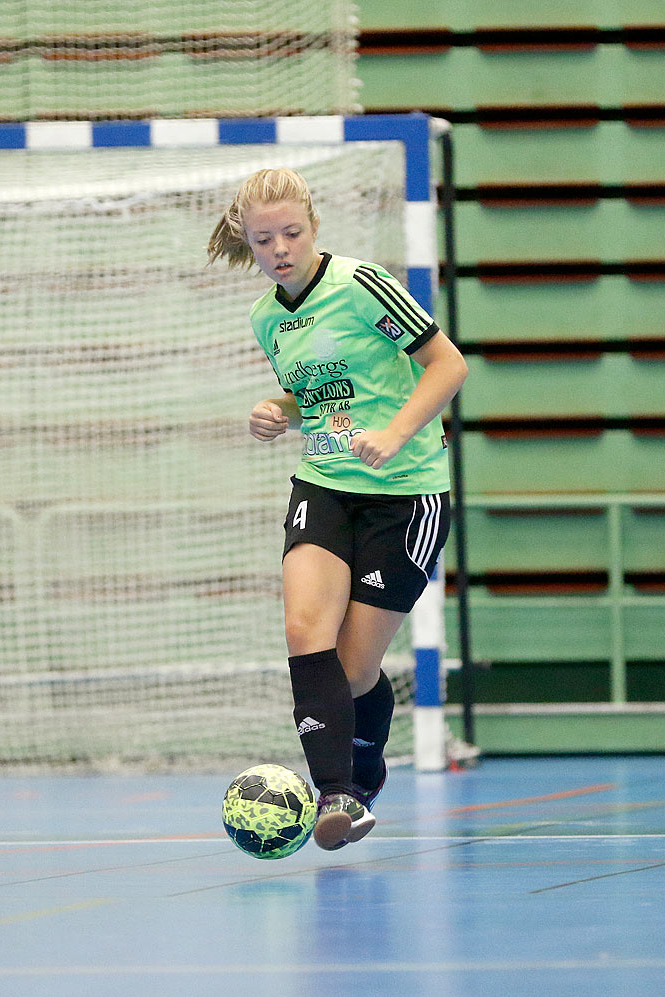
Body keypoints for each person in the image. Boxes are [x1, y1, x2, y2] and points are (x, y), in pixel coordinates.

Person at [208, 168, 467, 850]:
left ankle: (365, 764)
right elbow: (323, 396)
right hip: (324, 483)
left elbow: (448, 366)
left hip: (406, 494)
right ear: (250, 243)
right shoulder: (268, 317)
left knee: (352, 672)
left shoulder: (361, 286)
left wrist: (394, 433)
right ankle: (339, 796)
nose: (281, 248)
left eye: (292, 233)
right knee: (304, 631)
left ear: (313, 227)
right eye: (265, 239)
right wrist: (276, 411)